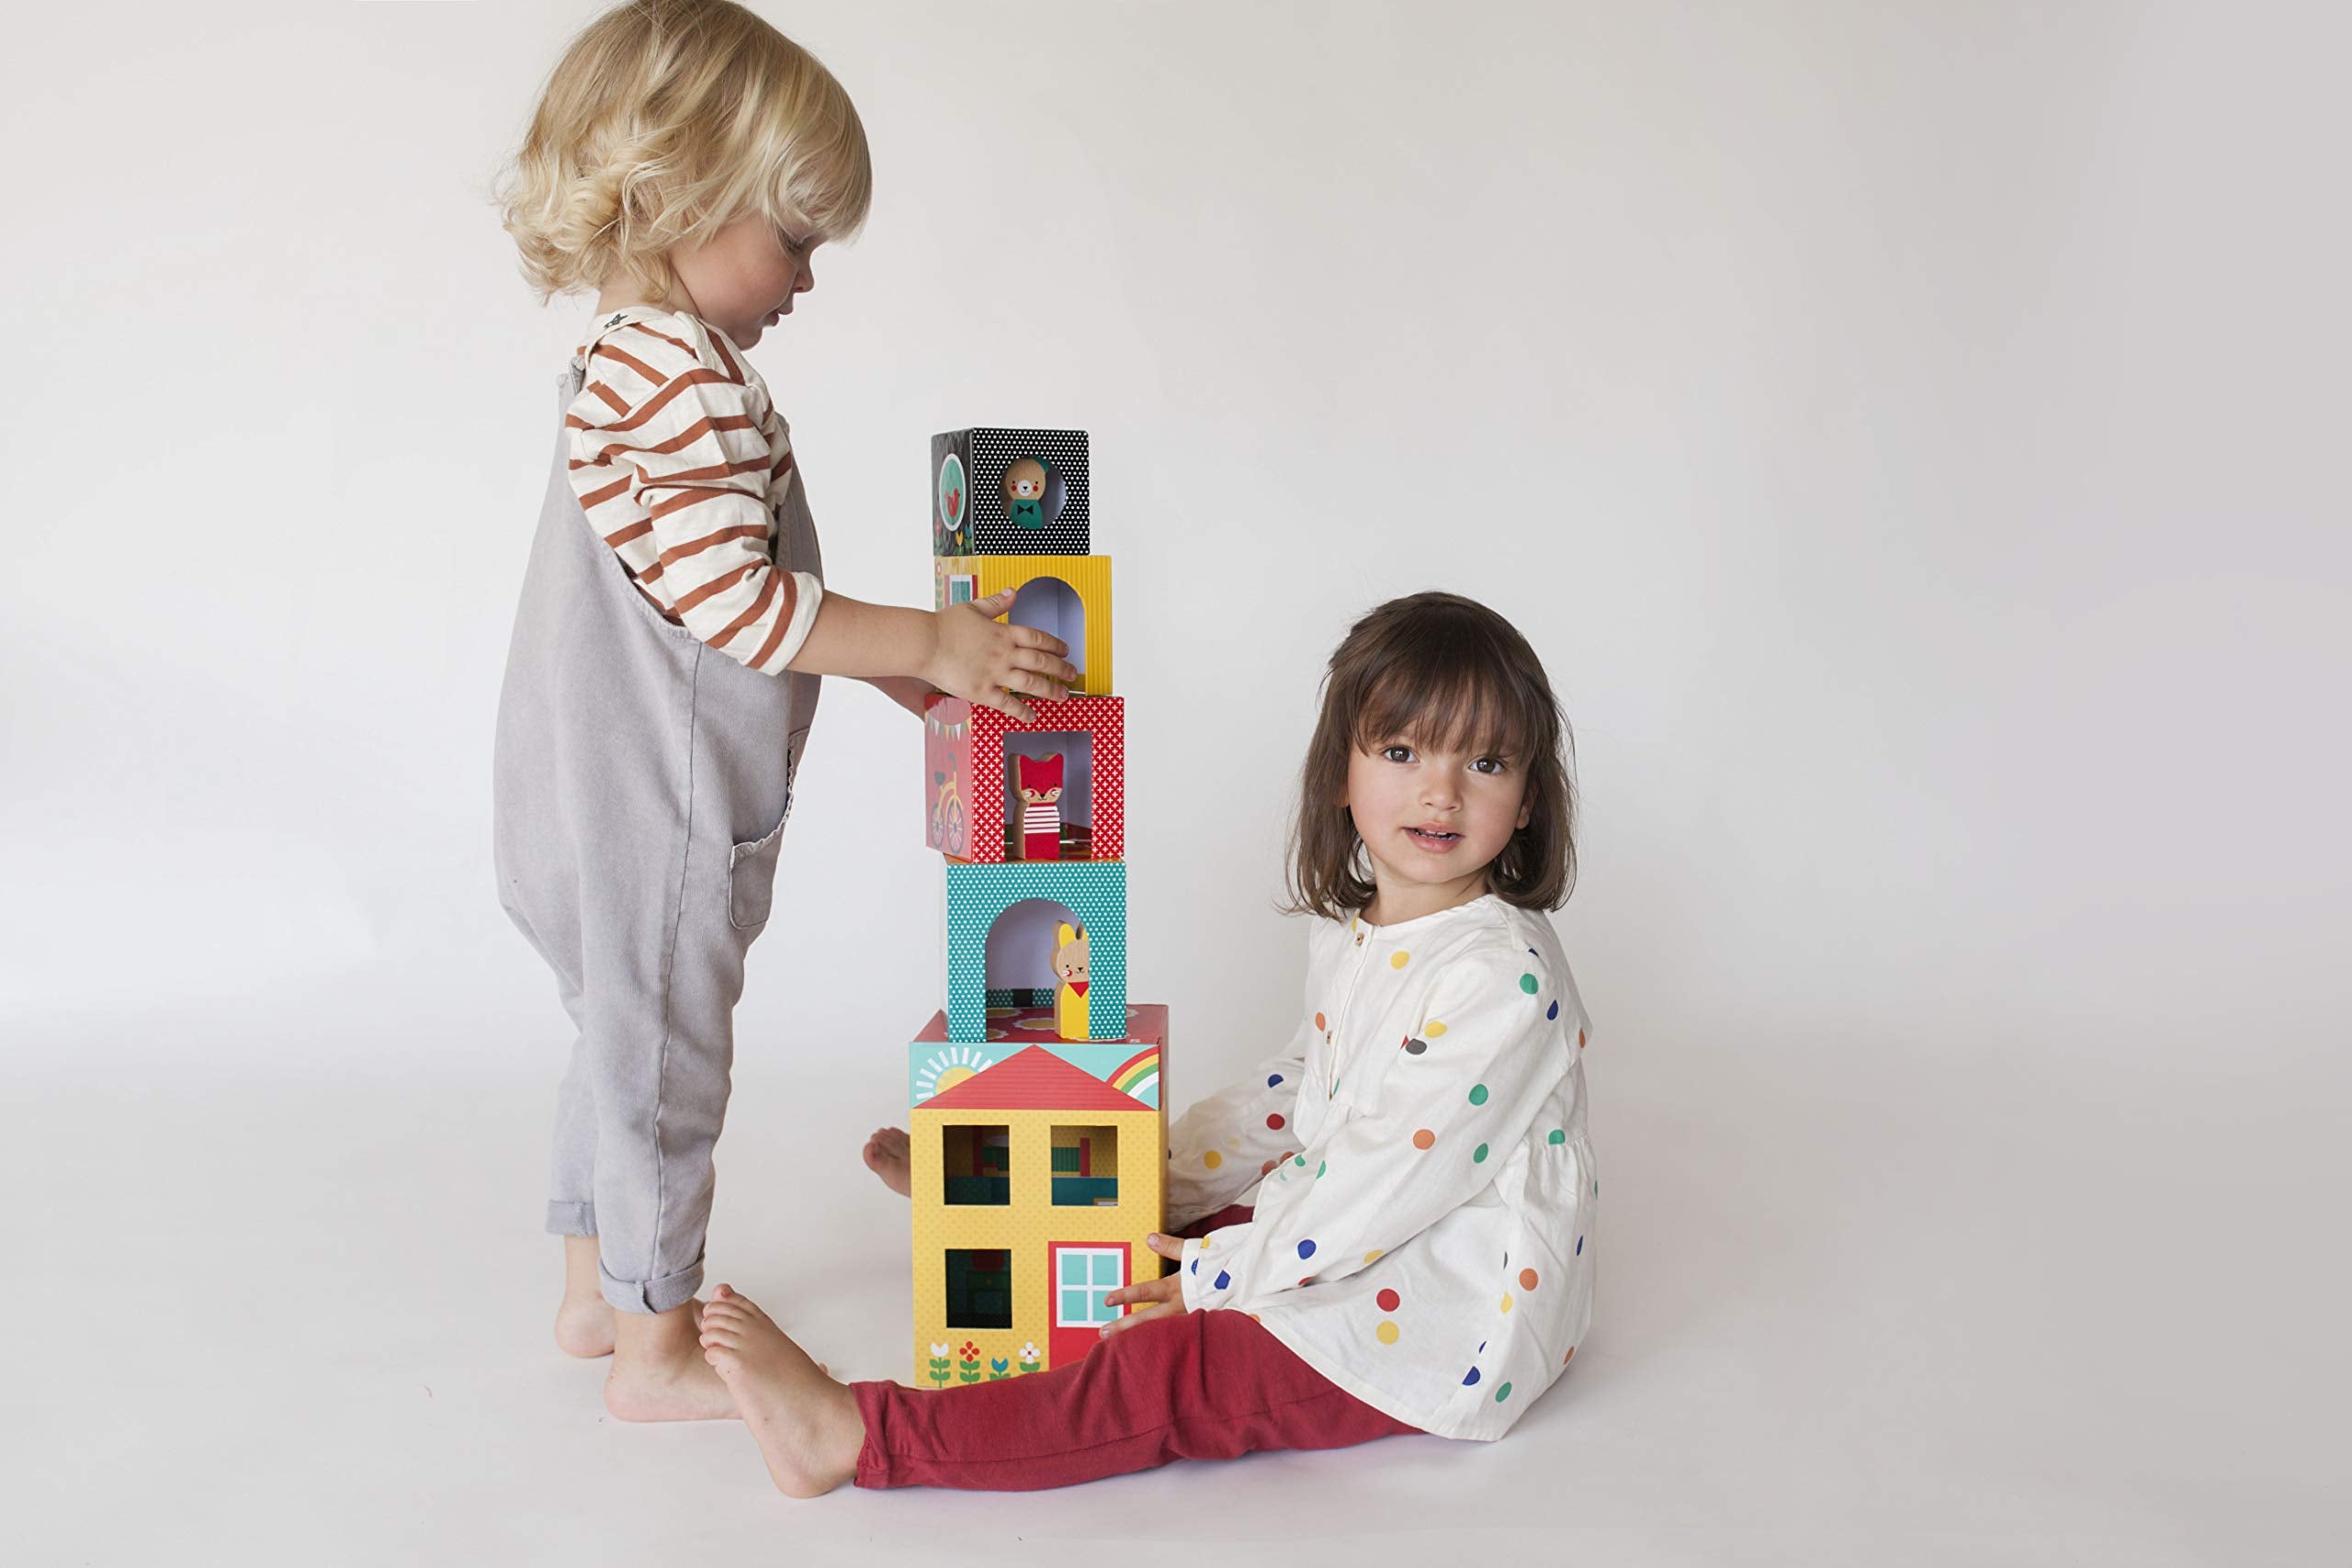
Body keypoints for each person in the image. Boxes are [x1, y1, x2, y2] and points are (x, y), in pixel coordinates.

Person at [488, 0, 1079, 1422]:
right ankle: (656, 1350)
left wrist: (908, 663)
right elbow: (743, 610)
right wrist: (931, 633)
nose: (807, 278)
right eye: (793, 238)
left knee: (615, 1042)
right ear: (679, 196)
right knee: (666, 1072)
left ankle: (595, 1285)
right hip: (655, 805)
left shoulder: (636, 361)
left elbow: (739, 586)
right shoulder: (683, 377)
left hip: (585, 798)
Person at [713, 591, 1600, 1492]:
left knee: (1164, 1374)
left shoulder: (1500, 976)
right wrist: (1141, 1188)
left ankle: (858, 1437)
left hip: (1447, 1317)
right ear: (1342, 772)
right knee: (1148, 1239)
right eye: (1402, 751)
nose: (1440, 791)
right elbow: (1297, 1096)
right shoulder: (1368, 932)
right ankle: (998, 1206)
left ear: (1528, 798)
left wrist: (1223, 1274)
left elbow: (1387, 1175)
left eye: (1485, 762)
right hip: (1371, 1226)